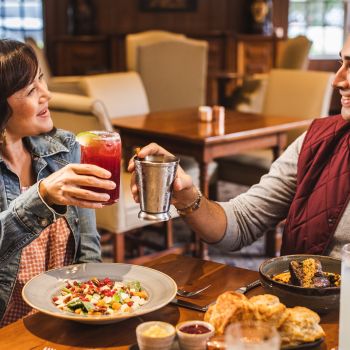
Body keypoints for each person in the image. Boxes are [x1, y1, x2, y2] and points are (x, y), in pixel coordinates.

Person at [129, 35, 350, 261]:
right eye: (341, 63)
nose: (337, 80)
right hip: (300, 296)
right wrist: (187, 197)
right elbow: (243, 221)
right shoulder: (317, 140)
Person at [0, 39, 116, 326]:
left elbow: (88, 249)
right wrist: (42, 197)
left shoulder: (65, 149)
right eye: (31, 90)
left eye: (41, 80)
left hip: (67, 316)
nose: (47, 95)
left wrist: (92, 313)